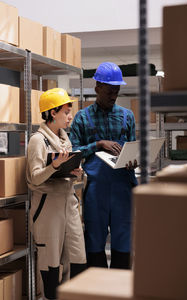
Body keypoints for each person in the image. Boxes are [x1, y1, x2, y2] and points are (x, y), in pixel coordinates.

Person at [70, 62, 138, 270]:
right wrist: (98, 144)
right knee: (95, 240)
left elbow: (134, 146)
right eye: (110, 91)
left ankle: (120, 289)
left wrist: (135, 159)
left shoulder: (127, 116)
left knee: (124, 239)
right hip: (95, 189)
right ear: (98, 86)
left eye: (117, 92)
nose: (113, 96)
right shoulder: (82, 117)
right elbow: (73, 152)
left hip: (123, 187)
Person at [26, 88, 86, 300]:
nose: (70, 117)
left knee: (77, 257)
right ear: (53, 112)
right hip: (48, 207)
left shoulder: (65, 139)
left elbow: (64, 172)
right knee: (51, 265)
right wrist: (54, 166)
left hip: (68, 203)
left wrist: (75, 172)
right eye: (66, 112)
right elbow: (34, 178)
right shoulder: (37, 141)